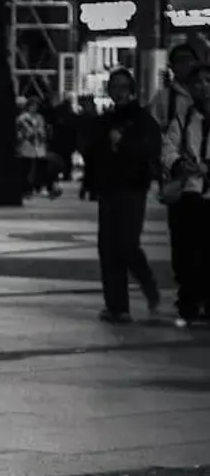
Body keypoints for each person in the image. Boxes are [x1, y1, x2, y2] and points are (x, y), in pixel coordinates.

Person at [85, 68, 162, 325]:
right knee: (108, 247)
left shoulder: (141, 119)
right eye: (115, 87)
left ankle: (148, 284)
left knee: (127, 244)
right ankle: (117, 306)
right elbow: (94, 153)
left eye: (123, 87)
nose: (119, 92)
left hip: (132, 188)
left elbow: (150, 149)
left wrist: (123, 143)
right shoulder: (106, 119)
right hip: (108, 190)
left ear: (132, 89)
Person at [161, 61, 210, 328]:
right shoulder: (184, 118)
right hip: (188, 195)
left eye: (207, 81)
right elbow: (167, 147)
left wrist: (205, 167)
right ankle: (189, 300)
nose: (203, 87)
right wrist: (179, 164)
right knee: (186, 253)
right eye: (197, 83)